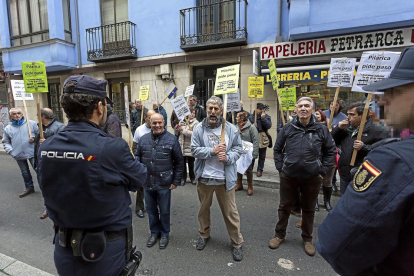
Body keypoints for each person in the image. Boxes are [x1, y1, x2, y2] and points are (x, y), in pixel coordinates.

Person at [317, 46, 414, 276]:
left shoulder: (394, 159)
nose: (382, 101)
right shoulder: (346, 128)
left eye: (394, 91)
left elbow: (336, 245)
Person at [37, 75, 147, 275]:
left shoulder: (47, 146)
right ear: (99, 107)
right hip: (103, 251)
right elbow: (140, 177)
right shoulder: (111, 147)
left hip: (64, 248)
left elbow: (49, 187)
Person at [270, 97, 336, 256]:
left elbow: (331, 152)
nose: (304, 108)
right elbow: (277, 150)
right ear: (296, 109)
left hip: (312, 177)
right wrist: (281, 168)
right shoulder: (287, 128)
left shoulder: (321, 130)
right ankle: (279, 235)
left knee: (309, 208)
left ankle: (307, 239)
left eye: (307, 106)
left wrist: (321, 171)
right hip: (289, 175)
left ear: (313, 110)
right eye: (301, 106)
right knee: (284, 206)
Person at [191, 96, 244, 261]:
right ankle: (204, 234)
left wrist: (227, 157)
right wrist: (212, 151)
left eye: (216, 109)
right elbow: (194, 150)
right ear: (206, 109)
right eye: (210, 108)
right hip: (205, 178)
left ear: (221, 110)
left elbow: (238, 149)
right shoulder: (199, 128)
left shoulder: (231, 129)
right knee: (203, 210)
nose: (212, 112)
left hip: (224, 179)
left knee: (230, 213)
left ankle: (237, 243)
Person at [136, 113, 183, 250]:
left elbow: (179, 161)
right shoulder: (143, 139)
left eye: (159, 123)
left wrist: (175, 180)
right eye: (154, 123)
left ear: (164, 123)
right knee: (150, 210)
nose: (157, 125)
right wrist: (139, 174)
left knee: (164, 210)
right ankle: (154, 232)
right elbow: (138, 156)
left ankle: (164, 233)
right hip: (147, 181)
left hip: (164, 181)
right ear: (150, 123)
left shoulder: (172, 139)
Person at [332, 102, 388, 195]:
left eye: (352, 114)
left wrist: (364, 147)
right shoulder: (346, 127)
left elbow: (383, 150)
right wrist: (338, 129)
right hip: (345, 171)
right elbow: (332, 141)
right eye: (348, 114)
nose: (348, 117)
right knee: (344, 199)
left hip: (363, 173)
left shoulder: (376, 130)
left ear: (362, 116)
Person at [34, 108, 65, 219]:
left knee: (55, 187)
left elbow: (63, 145)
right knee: (44, 186)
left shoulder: (60, 127)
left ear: (43, 116)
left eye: (38, 115)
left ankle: (58, 207)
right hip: (41, 162)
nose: (37, 117)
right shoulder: (39, 126)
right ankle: (48, 207)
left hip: (53, 164)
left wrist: (47, 142)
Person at [2, 108, 39, 198]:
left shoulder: (31, 124)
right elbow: (6, 142)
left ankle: (46, 188)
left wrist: (34, 139)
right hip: (18, 153)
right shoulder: (8, 128)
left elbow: (40, 135)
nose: (17, 115)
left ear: (22, 114)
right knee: (25, 172)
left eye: (19, 113)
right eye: (14, 114)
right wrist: (11, 150)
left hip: (32, 152)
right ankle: (29, 188)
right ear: (11, 116)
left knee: (38, 170)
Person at [132, 109, 157, 219]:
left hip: (156, 163)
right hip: (143, 162)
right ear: (145, 118)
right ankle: (139, 208)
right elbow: (134, 147)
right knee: (141, 186)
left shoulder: (157, 128)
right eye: (150, 118)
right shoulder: (139, 130)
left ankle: (152, 206)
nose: (152, 121)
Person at [235, 111, 258, 195]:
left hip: (248, 152)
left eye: (237, 117)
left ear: (242, 118)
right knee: (238, 167)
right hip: (239, 151)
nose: (236, 118)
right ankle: (239, 184)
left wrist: (255, 153)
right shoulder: (236, 127)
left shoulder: (251, 128)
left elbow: (256, 140)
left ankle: (250, 186)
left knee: (248, 169)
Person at [248, 103, 272, 177]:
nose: (262, 110)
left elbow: (268, 126)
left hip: (262, 136)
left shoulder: (266, 116)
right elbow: (247, 126)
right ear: (256, 109)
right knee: (252, 154)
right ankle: (250, 169)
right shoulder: (251, 117)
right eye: (260, 109)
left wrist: (263, 118)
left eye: (262, 109)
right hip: (253, 137)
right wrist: (252, 125)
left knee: (262, 155)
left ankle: (259, 170)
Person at [177, 108, 199, 185]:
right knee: (182, 163)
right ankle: (183, 178)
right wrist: (178, 128)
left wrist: (183, 130)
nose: (192, 115)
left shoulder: (196, 123)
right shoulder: (182, 121)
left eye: (193, 113)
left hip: (190, 145)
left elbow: (194, 134)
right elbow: (177, 131)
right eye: (190, 113)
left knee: (191, 163)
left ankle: (193, 178)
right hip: (182, 145)